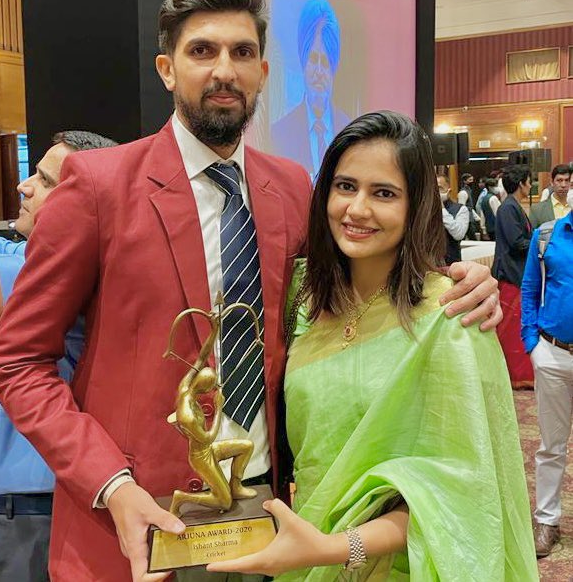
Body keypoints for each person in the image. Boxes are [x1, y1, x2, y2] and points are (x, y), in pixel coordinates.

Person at [0, 0, 500, 581]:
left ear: (263, 71)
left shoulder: (290, 187)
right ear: (167, 69)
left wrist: (457, 281)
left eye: (242, 52)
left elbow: (353, 283)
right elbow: (18, 361)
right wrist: (111, 484)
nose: (224, 70)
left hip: (268, 520)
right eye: (202, 51)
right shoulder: (100, 187)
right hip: (136, 525)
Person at [208, 111, 537, 581]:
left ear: (415, 205)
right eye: (345, 186)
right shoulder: (301, 297)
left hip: (393, 565)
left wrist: (337, 547)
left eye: (384, 193)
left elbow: (459, 489)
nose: (357, 209)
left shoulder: (449, 317)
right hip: (301, 549)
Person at [0, 131, 117, 582]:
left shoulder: (54, 275)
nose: (24, 186)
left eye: (46, 181)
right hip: (5, 517)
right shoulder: (32, 253)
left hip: (30, 524)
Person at [521, 192, 573, 558]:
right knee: (551, 445)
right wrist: (532, 343)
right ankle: (547, 520)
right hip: (552, 353)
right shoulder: (547, 235)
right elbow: (529, 288)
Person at [271, 0, 350, 183]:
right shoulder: (279, 134)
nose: (319, 72)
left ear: (334, 67)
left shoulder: (350, 129)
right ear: (303, 61)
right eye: (313, 60)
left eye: (326, 62)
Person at [493, 164, 534, 389]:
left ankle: (519, 374)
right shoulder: (508, 207)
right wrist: (539, 241)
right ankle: (514, 376)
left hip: (516, 272)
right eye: (529, 181)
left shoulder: (512, 205)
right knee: (511, 327)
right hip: (510, 273)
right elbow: (517, 243)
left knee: (516, 325)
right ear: (521, 183)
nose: (531, 185)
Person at [437, 172, 469, 264]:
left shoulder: (461, 209)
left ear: (448, 190)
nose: (435, 192)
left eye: (439, 188)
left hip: (451, 263)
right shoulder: (424, 211)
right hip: (429, 264)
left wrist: (442, 209)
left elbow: (458, 234)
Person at [529, 164, 571, 229]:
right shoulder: (537, 210)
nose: (563, 185)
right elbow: (532, 234)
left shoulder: (571, 206)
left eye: (567, 180)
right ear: (552, 182)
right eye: (559, 180)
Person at [457, 172, 480, 239]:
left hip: (470, 218)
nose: (472, 182)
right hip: (466, 220)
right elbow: (462, 207)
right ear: (464, 181)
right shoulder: (463, 192)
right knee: (471, 238)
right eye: (470, 180)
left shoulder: (469, 191)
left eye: (472, 180)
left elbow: (470, 207)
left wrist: (476, 217)